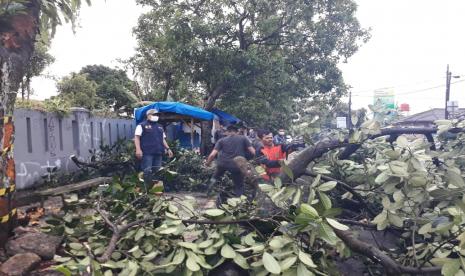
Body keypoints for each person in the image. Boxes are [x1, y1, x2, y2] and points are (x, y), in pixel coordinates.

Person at [206, 125, 255, 196]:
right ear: (237, 132)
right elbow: (253, 152)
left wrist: (208, 163)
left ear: (228, 132)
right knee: (239, 184)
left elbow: (212, 155)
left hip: (222, 164)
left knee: (215, 177)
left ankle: (208, 191)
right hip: (236, 165)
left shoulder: (221, 140)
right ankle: (239, 199)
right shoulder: (243, 138)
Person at [134, 109, 174, 189]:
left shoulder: (160, 126)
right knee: (147, 171)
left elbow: (163, 139)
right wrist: (138, 149)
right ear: (148, 115)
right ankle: (146, 189)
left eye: (157, 115)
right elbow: (137, 138)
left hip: (158, 152)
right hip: (147, 153)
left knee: (157, 171)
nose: (156, 116)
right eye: (154, 114)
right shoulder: (142, 125)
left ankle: (155, 190)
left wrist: (168, 149)